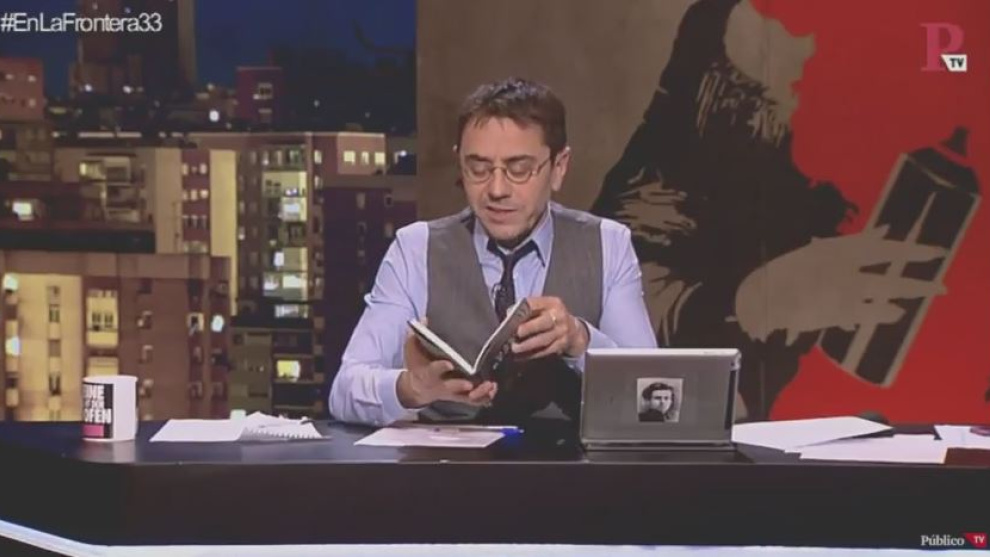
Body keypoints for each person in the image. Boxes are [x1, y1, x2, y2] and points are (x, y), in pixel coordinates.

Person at [329, 77, 657, 426]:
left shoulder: (608, 244)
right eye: (479, 169)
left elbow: (654, 391)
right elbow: (344, 391)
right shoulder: (414, 249)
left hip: (568, 458)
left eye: (519, 169)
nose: (497, 189)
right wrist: (410, 389)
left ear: (559, 167)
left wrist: (580, 340)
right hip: (446, 459)